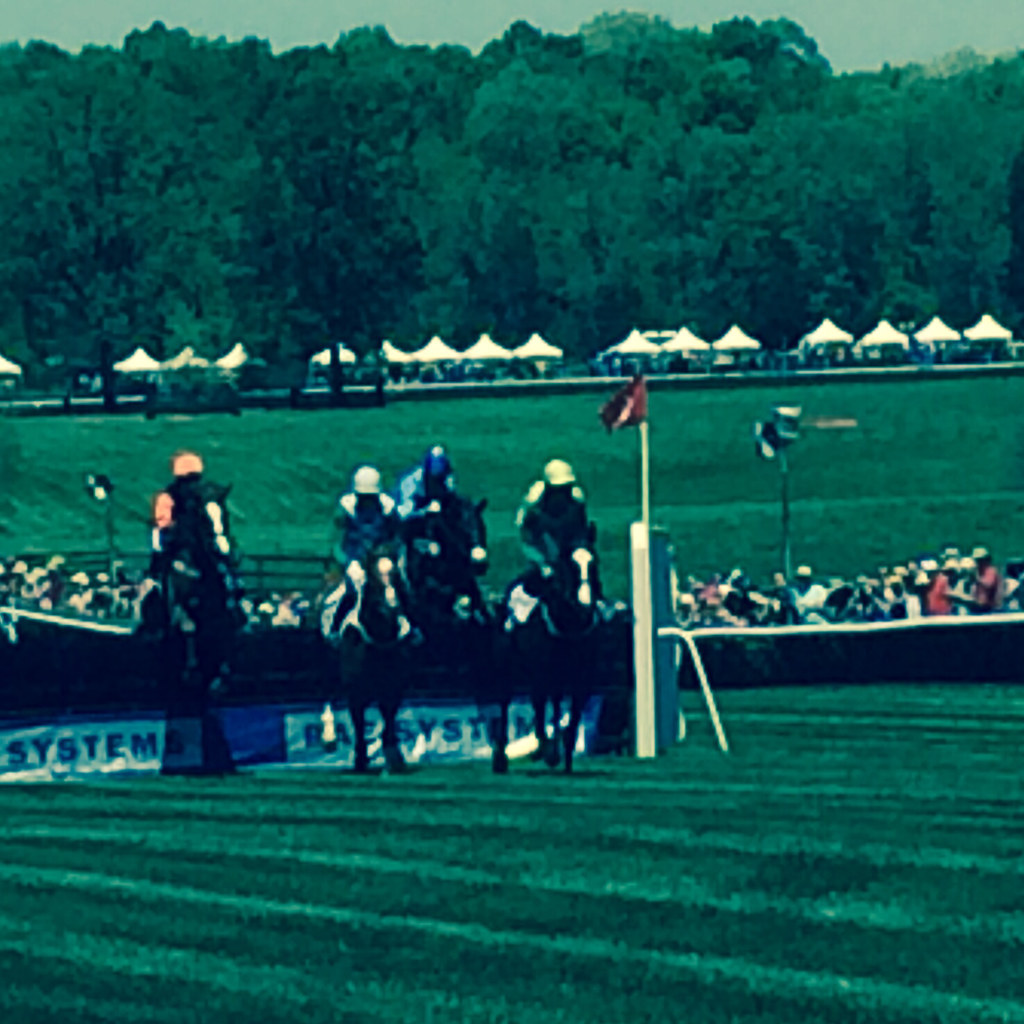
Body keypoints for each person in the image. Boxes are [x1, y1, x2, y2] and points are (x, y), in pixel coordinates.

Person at [515, 459, 596, 591]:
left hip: (570, 560)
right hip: (543, 563)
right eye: (559, 489)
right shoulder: (535, 512)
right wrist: (541, 563)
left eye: (566, 488)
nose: (562, 493)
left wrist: (581, 549)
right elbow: (528, 542)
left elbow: (581, 533)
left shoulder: (575, 506)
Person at [334, 464, 401, 586]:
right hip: (354, 558)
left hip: (380, 558)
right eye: (364, 497)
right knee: (354, 579)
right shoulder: (347, 510)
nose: (367, 502)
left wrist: (386, 552)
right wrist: (349, 561)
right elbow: (339, 541)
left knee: (388, 574)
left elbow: (394, 537)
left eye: (370, 497)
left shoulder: (387, 509)